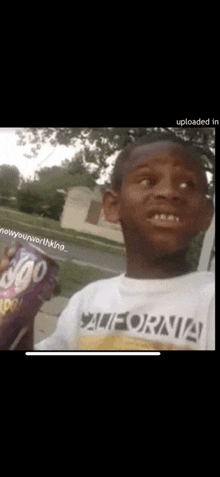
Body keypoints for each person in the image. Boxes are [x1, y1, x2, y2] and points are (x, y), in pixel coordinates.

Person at [0, 133, 215, 350]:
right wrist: (17, 311)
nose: (169, 192)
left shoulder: (210, 300)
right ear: (113, 206)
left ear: (206, 215)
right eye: (147, 181)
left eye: (188, 184)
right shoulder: (86, 301)